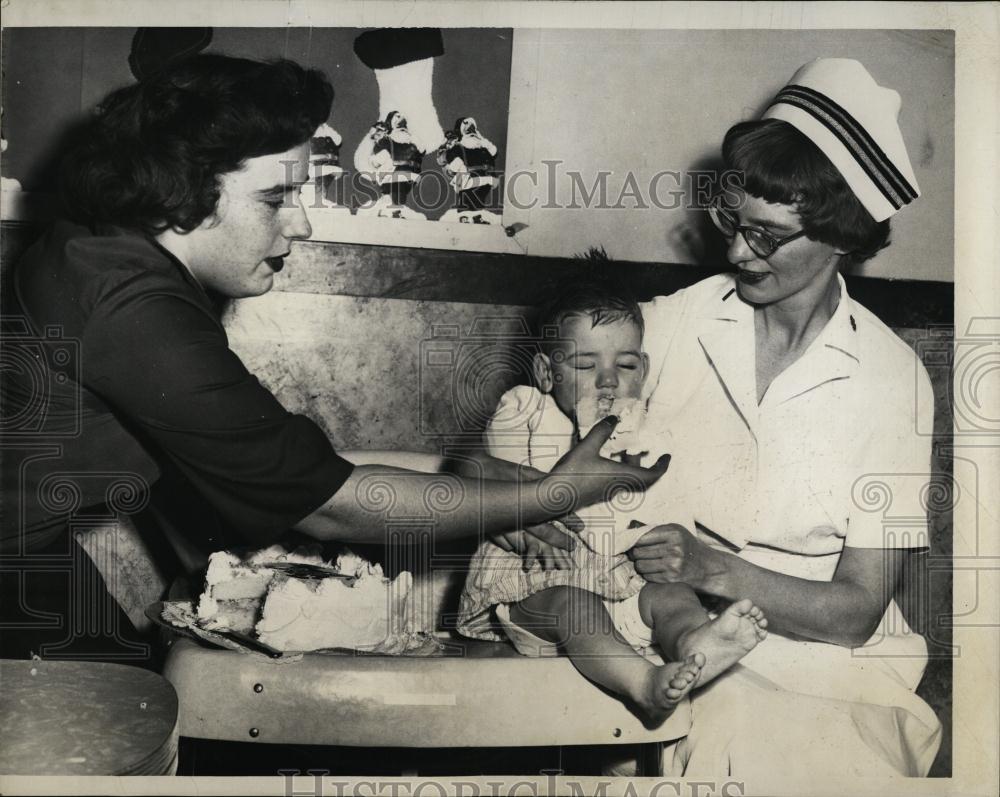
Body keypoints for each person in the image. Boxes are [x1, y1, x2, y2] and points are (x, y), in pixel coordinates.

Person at [0, 54, 668, 664]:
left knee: (134, 691)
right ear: (181, 196)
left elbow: (273, 466)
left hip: (30, 551)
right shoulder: (135, 308)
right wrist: (555, 492)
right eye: (275, 198)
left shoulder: (109, 256)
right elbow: (331, 502)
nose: (301, 223)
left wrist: (481, 479)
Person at [625, 58, 942, 777]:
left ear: (844, 239)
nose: (737, 251)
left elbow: (857, 609)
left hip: (827, 660)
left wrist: (716, 566)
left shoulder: (895, 381)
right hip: (668, 629)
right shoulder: (676, 324)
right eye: (731, 223)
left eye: (767, 235)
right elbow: (556, 398)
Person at [458, 284, 768, 722]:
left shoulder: (649, 430)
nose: (608, 380)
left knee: (673, 595)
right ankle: (641, 683)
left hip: (621, 575)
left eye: (625, 365)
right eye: (587, 364)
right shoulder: (525, 408)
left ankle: (694, 646)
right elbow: (491, 476)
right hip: (540, 579)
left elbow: (667, 504)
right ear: (547, 373)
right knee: (575, 608)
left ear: (642, 371)